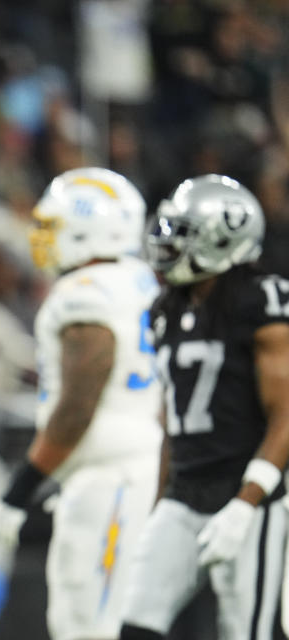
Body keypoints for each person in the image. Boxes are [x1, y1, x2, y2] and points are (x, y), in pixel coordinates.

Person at [0, 167, 163, 640]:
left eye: (53, 226)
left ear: (92, 228)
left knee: (88, 620)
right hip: (138, 466)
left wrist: (22, 485)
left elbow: (79, 404)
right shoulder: (141, 280)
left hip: (111, 474)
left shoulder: (86, 293)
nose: (42, 237)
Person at [118, 174, 289, 640]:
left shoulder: (261, 300)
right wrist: (160, 501)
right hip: (186, 492)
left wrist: (247, 502)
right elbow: (172, 421)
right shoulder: (166, 308)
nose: (167, 244)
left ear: (222, 238)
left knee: (248, 632)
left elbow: (286, 413)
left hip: (249, 493)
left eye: (183, 233)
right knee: (136, 626)